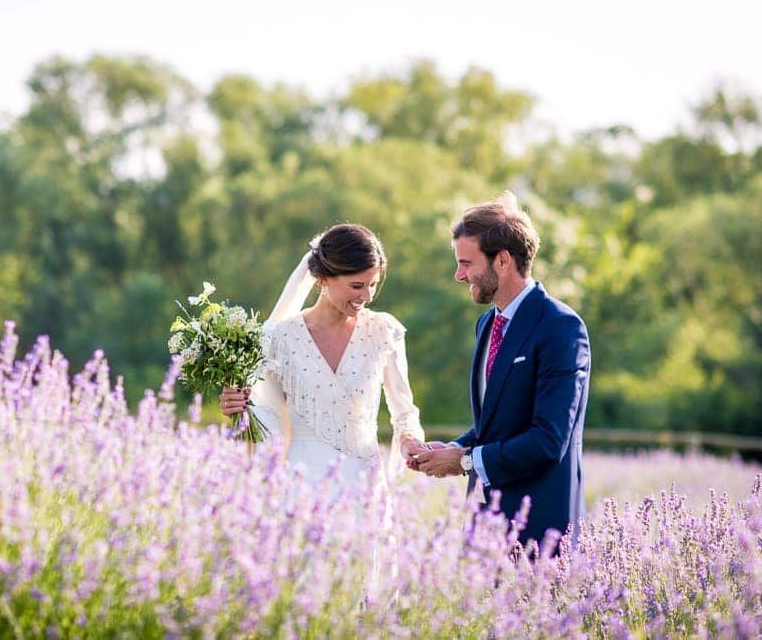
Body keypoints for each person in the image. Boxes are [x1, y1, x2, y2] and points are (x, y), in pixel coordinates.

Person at [413, 192, 590, 546]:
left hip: (541, 532)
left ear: (503, 261)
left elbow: (547, 441)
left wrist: (463, 461)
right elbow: (497, 423)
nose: (458, 275)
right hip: (484, 527)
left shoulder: (560, 327)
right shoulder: (486, 324)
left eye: (466, 263)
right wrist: (452, 447)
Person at [219, 223, 426, 485]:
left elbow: (404, 411)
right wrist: (240, 406)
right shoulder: (281, 338)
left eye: (373, 285)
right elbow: (267, 413)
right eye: (357, 285)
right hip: (301, 484)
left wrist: (409, 439)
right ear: (323, 279)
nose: (368, 296)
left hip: (365, 483)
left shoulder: (384, 331)